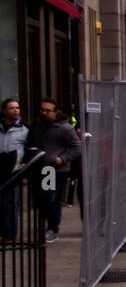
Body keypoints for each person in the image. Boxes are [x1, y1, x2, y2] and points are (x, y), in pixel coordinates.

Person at [27, 98, 81, 243]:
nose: (44, 113)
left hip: (54, 170)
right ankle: (47, 226)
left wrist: (62, 159)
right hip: (40, 168)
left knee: (52, 198)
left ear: (56, 112)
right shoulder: (37, 126)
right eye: (42, 110)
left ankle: (53, 228)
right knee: (42, 199)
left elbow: (77, 147)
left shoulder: (64, 128)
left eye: (48, 110)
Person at [0, 98, 28, 240]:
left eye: (17, 107)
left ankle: (10, 234)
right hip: (0, 169)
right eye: (11, 108)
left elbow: (30, 150)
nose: (15, 110)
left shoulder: (24, 128)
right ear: (4, 111)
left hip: (14, 171)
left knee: (11, 204)